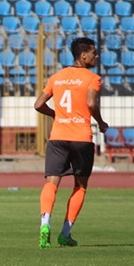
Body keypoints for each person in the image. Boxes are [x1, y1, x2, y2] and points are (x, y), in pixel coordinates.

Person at [33, 37, 109, 248]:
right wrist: (101, 123)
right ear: (83, 56)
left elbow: (38, 104)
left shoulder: (57, 77)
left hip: (58, 137)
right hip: (81, 138)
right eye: (94, 53)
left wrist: (57, 115)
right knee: (80, 185)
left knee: (51, 182)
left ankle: (44, 223)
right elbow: (92, 102)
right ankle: (65, 233)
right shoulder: (92, 78)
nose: (96, 56)